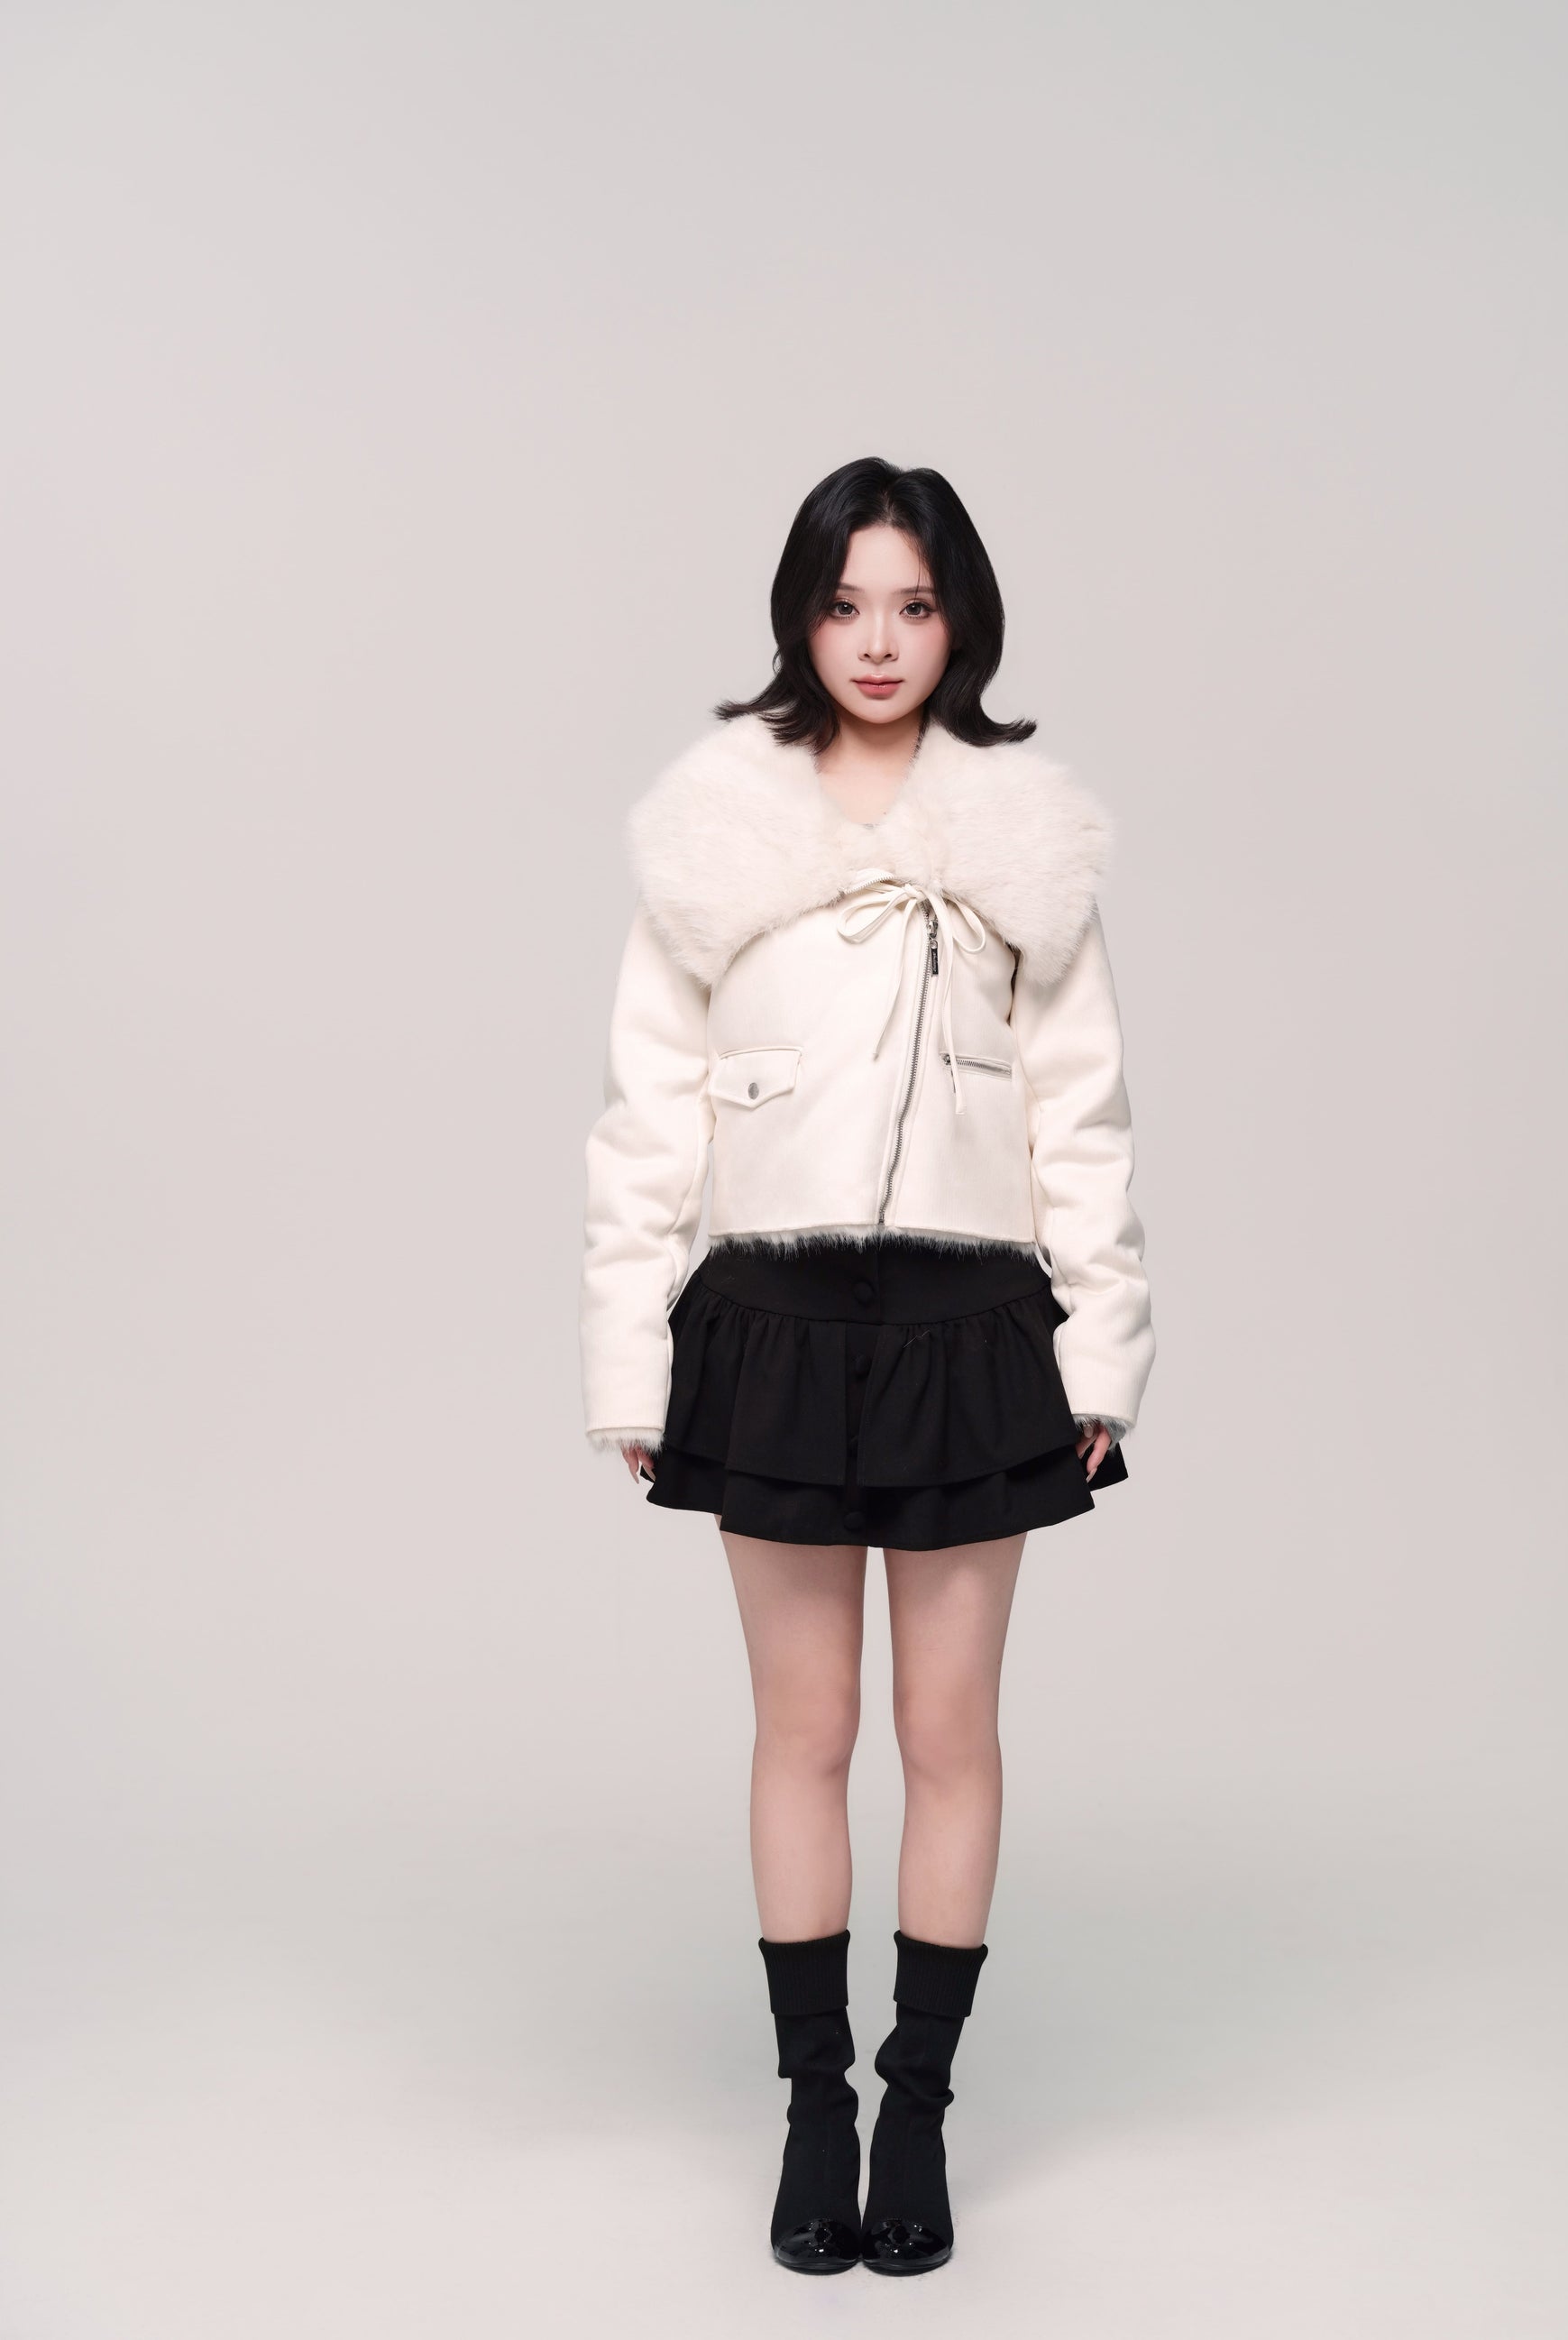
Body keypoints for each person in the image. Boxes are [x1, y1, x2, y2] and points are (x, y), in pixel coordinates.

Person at [578, 454, 1153, 2275]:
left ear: (960, 617)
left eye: (912, 603)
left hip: (969, 1327)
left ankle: (917, 2106)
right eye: (845, 604)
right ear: (799, 618)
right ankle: (814, 2104)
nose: (880, 639)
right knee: (804, 1729)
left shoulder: (1026, 840)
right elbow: (644, 1119)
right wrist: (630, 1366)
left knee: (946, 1731)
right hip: (772, 1321)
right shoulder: (713, 831)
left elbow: (1083, 1116)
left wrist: (1100, 1352)